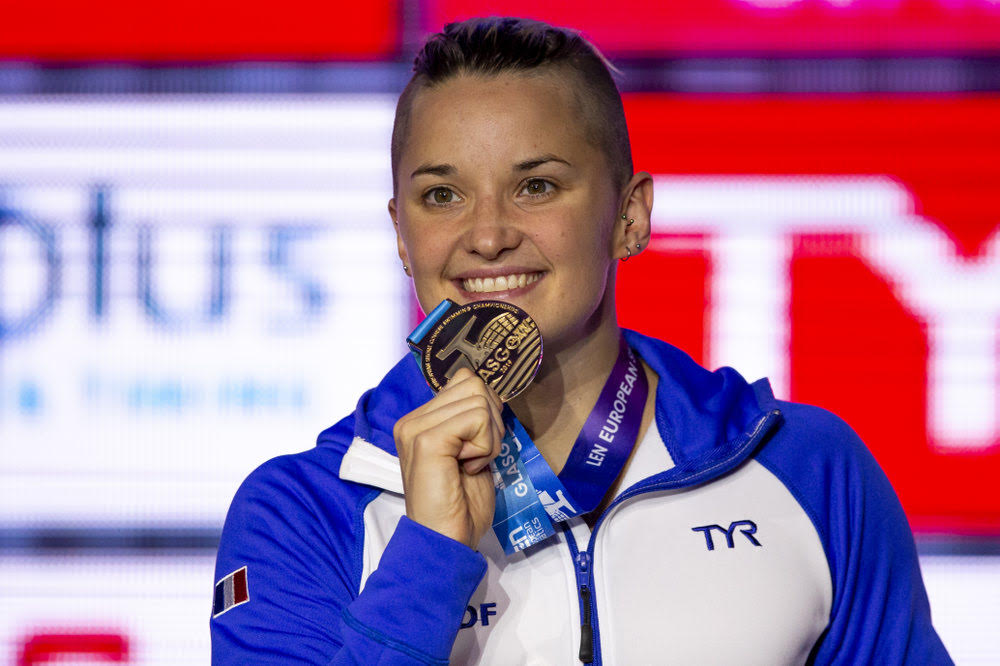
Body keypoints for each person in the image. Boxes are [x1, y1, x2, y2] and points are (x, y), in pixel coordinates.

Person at [210, 17, 952, 664]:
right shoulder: (302, 509)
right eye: (443, 195)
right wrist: (430, 552)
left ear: (630, 216)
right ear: (401, 235)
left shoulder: (806, 468)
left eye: (536, 186)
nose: (489, 234)